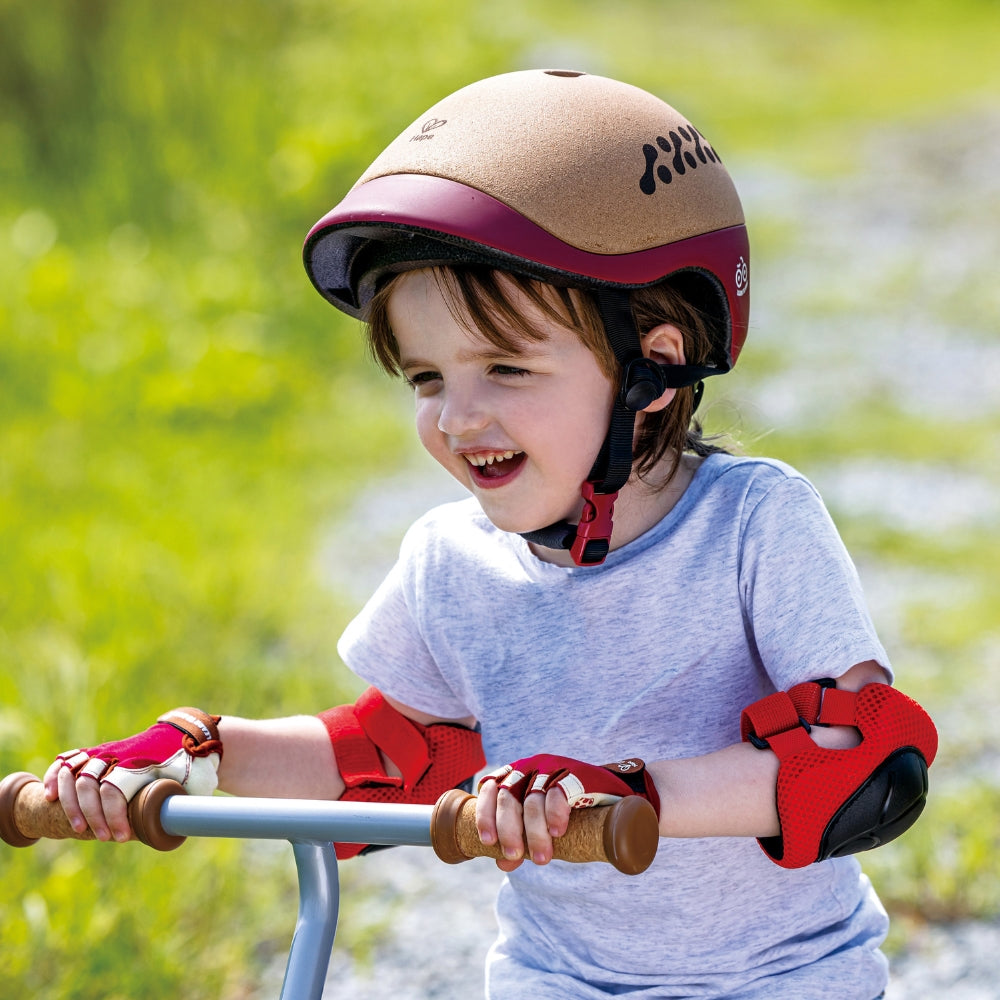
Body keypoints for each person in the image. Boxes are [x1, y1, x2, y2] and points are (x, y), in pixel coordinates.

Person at [43, 70, 937, 999]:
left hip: (780, 982)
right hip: (550, 981)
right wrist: (197, 747)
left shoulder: (753, 526)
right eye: (427, 378)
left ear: (655, 369)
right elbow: (391, 757)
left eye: (505, 368)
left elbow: (859, 762)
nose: (458, 419)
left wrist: (626, 791)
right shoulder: (449, 562)